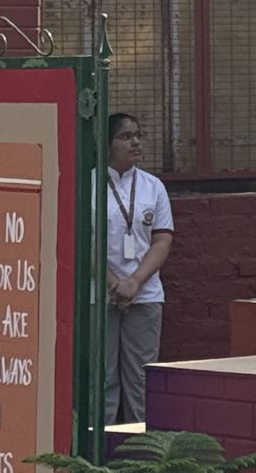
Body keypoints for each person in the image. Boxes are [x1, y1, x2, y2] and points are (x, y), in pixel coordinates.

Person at [103, 113, 173, 424]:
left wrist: (134, 282)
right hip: (101, 295)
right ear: (107, 144)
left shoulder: (153, 187)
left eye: (138, 135)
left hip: (144, 294)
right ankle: (98, 447)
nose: (135, 142)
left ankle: (139, 448)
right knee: (102, 378)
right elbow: (82, 239)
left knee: (141, 380)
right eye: (125, 136)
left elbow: (162, 240)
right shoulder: (89, 183)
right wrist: (112, 282)